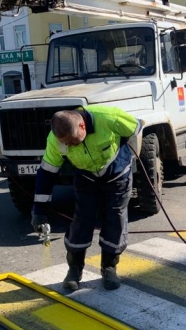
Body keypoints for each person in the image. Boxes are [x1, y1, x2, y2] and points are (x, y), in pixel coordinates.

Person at [31, 106, 142, 291]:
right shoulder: (55, 140)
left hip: (117, 176)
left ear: (82, 126)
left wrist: (128, 158)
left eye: (74, 142)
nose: (71, 146)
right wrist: (39, 210)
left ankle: (109, 267)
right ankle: (75, 269)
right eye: (68, 144)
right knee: (82, 220)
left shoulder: (109, 117)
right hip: (86, 177)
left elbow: (136, 128)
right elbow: (47, 173)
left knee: (115, 219)